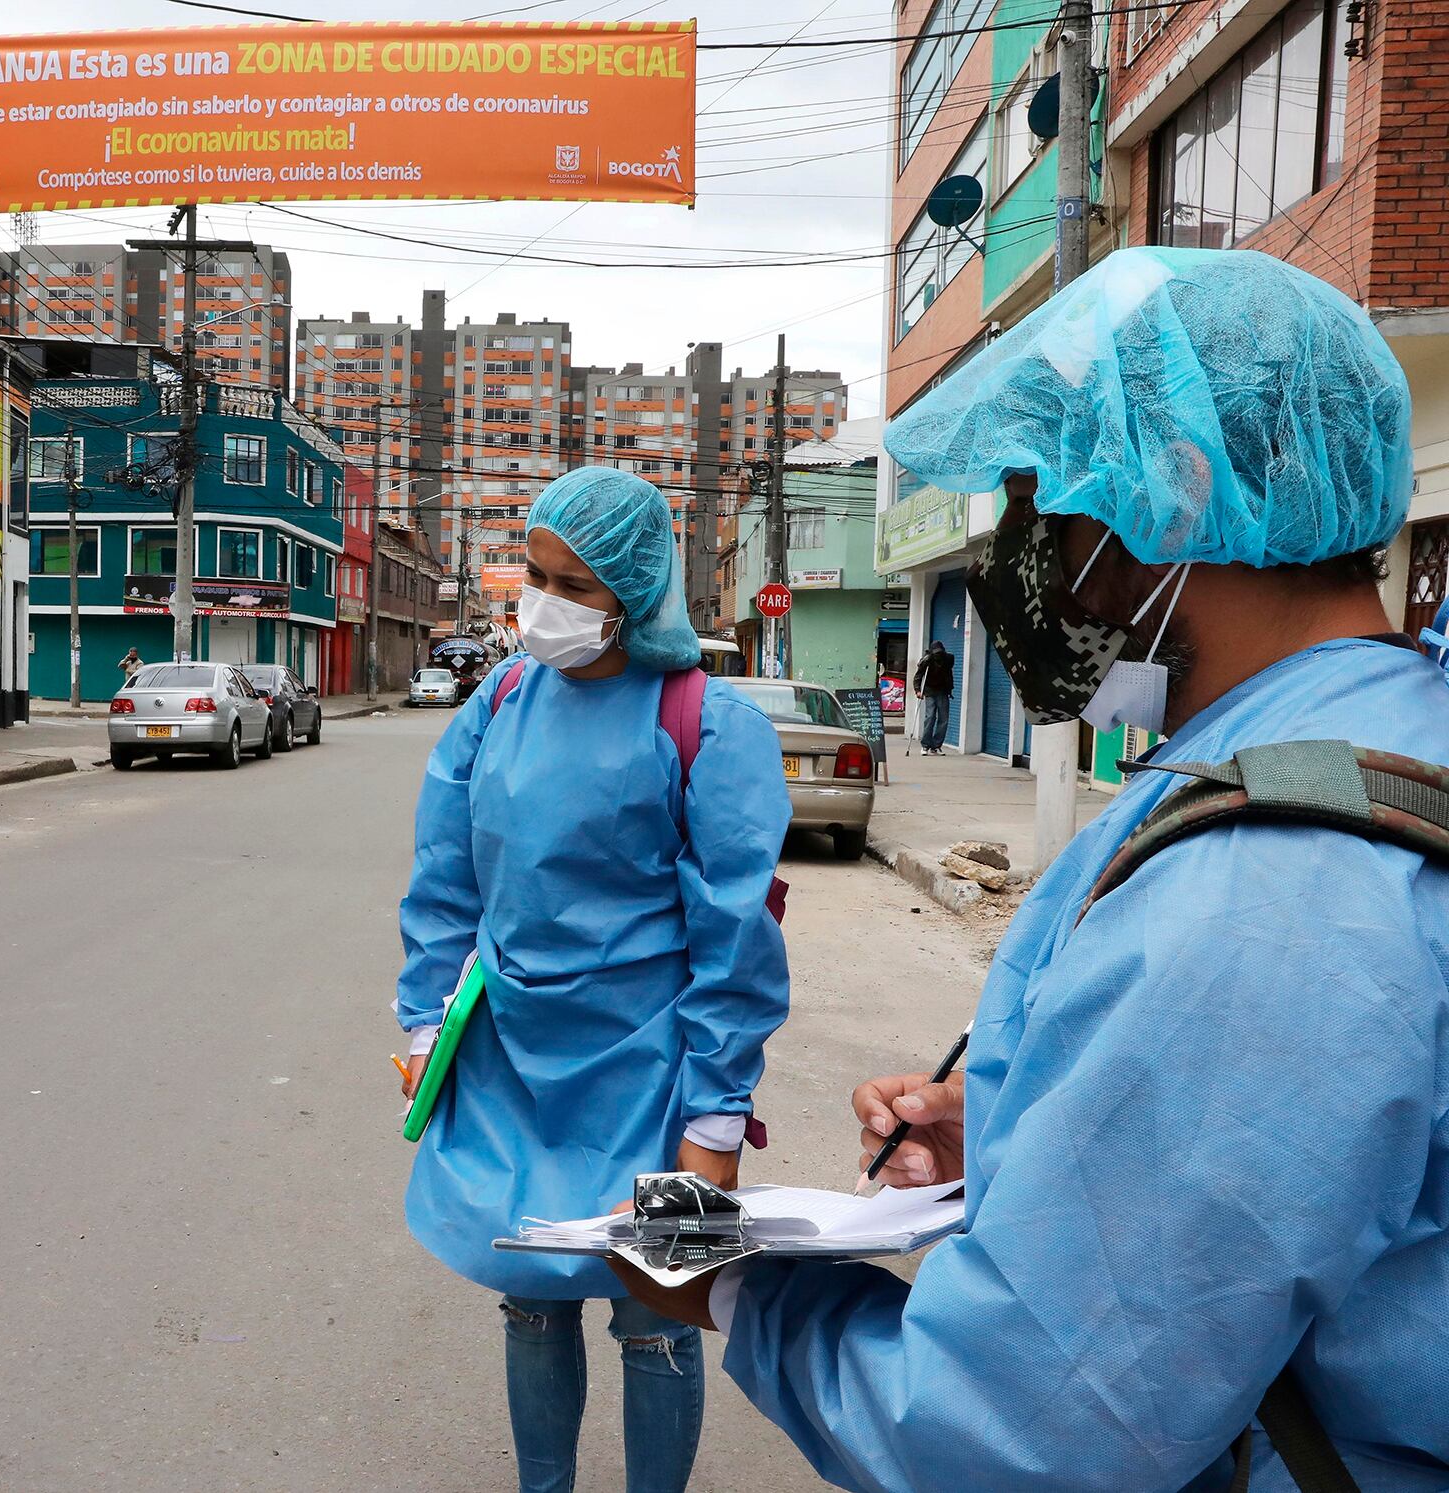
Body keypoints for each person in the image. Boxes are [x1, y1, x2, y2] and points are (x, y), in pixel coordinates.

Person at [613, 248, 1449, 1490]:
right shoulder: (1378, 734)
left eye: (1043, 503)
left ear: (1168, 501)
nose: (1026, 552)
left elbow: (1024, 1435)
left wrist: (727, 1284)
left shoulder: (1265, 885)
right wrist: (1026, 1119)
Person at [397, 466, 791, 1493]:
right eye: (532, 572)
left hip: (658, 1072)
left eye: (572, 584)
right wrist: (419, 1024)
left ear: (632, 588)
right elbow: (445, 881)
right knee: (528, 1300)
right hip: (507, 1059)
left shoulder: (705, 720)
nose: (542, 602)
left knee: (657, 1315)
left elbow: (734, 944)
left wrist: (714, 1121)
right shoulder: (500, 696)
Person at [910, 640, 953, 753]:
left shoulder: (947, 659)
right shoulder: (927, 660)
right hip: (929, 691)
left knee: (943, 719)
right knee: (930, 717)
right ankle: (925, 745)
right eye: (936, 653)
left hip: (943, 691)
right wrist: (918, 690)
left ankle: (936, 745)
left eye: (940, 652)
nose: (938, 655)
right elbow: (918, 676)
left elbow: (951, 664)